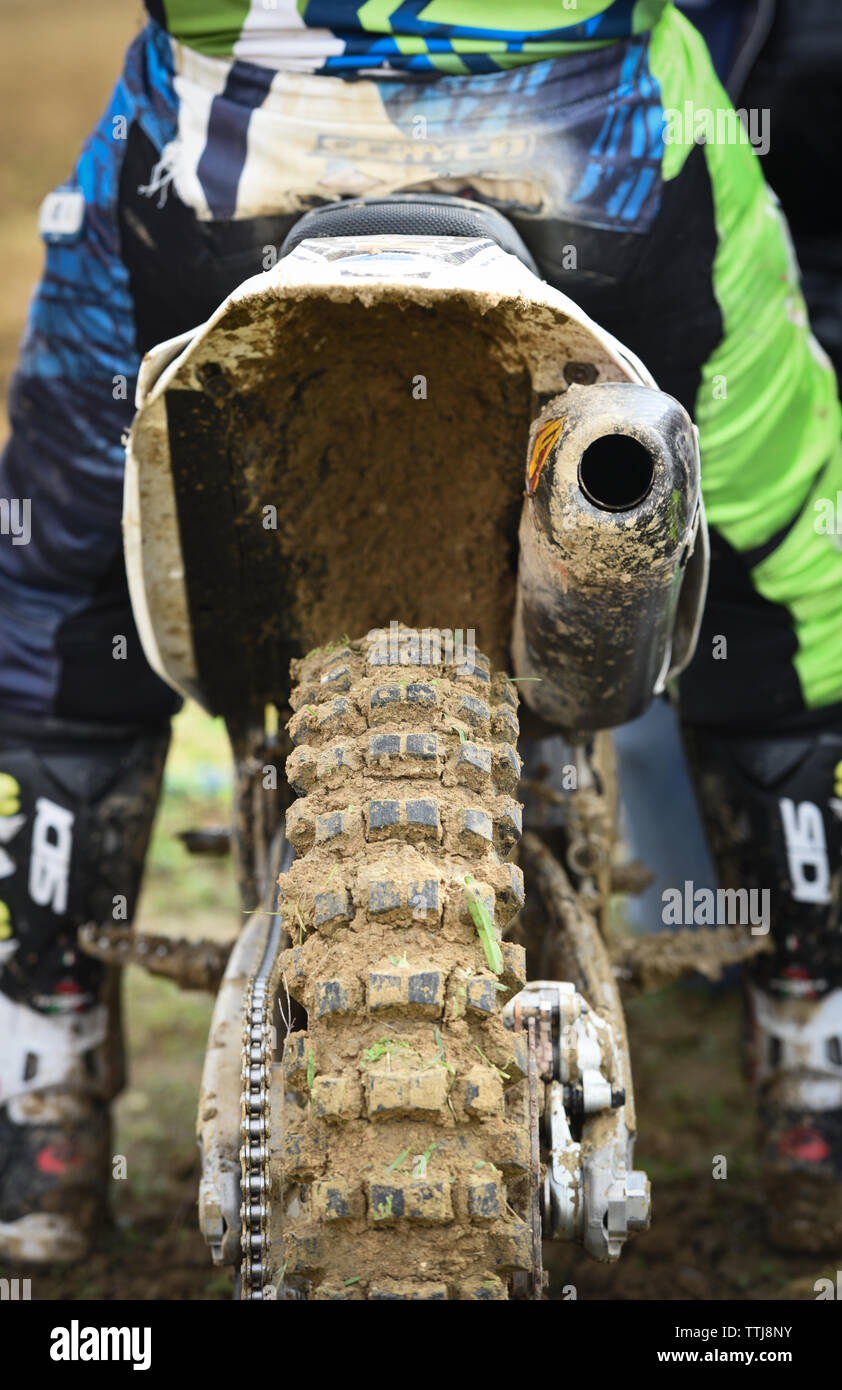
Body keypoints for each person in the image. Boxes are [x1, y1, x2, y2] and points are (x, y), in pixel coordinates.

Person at [2, 0, 841, 1265]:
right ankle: (812, 1052)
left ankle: (42, 1078)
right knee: (800, 570)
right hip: (598, 161)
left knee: (50, 604)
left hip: (219, 165)